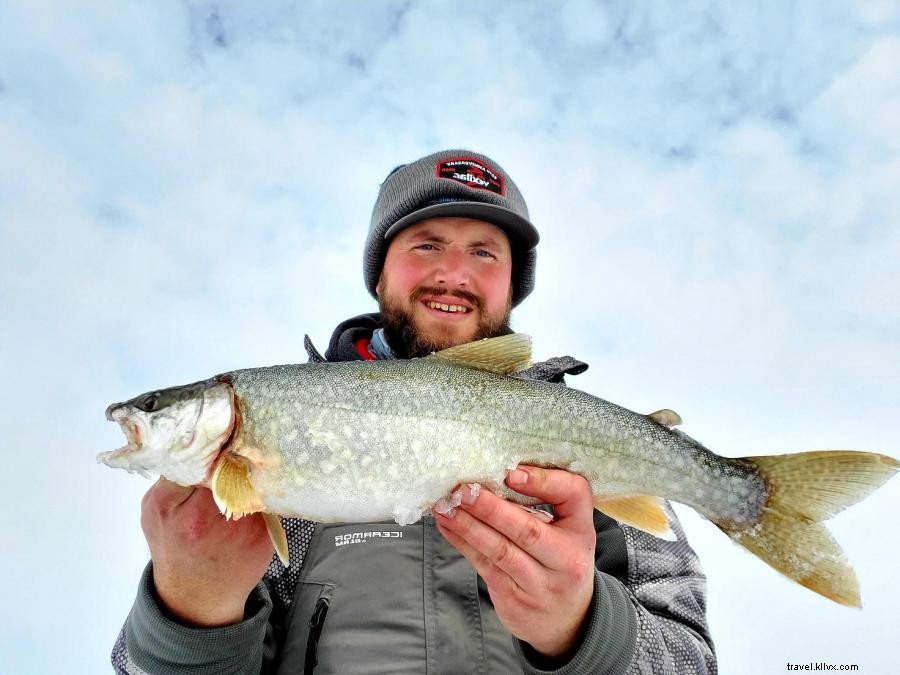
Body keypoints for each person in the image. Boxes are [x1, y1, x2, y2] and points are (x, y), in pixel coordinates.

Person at [112, 149, 716, 673]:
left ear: (512, 286)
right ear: (380, 274)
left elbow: (693, 661)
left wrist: (584, 629)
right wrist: (191, 615)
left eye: (485, 252)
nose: (453, 273)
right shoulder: (273, 456)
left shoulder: (591, 437)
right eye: (426, 244)